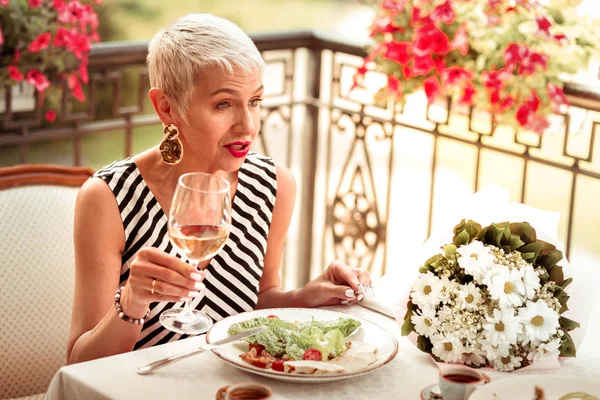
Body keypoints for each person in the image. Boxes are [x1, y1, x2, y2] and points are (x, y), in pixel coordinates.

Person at [66, 13, 371, 364]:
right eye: (223, 104)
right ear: (167, 107)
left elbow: (258, 300)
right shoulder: (108, 197)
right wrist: (132, 301)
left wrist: (305, 297)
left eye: (254, 101)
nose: (248, 125)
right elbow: (78, 364)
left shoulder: (273, 185)